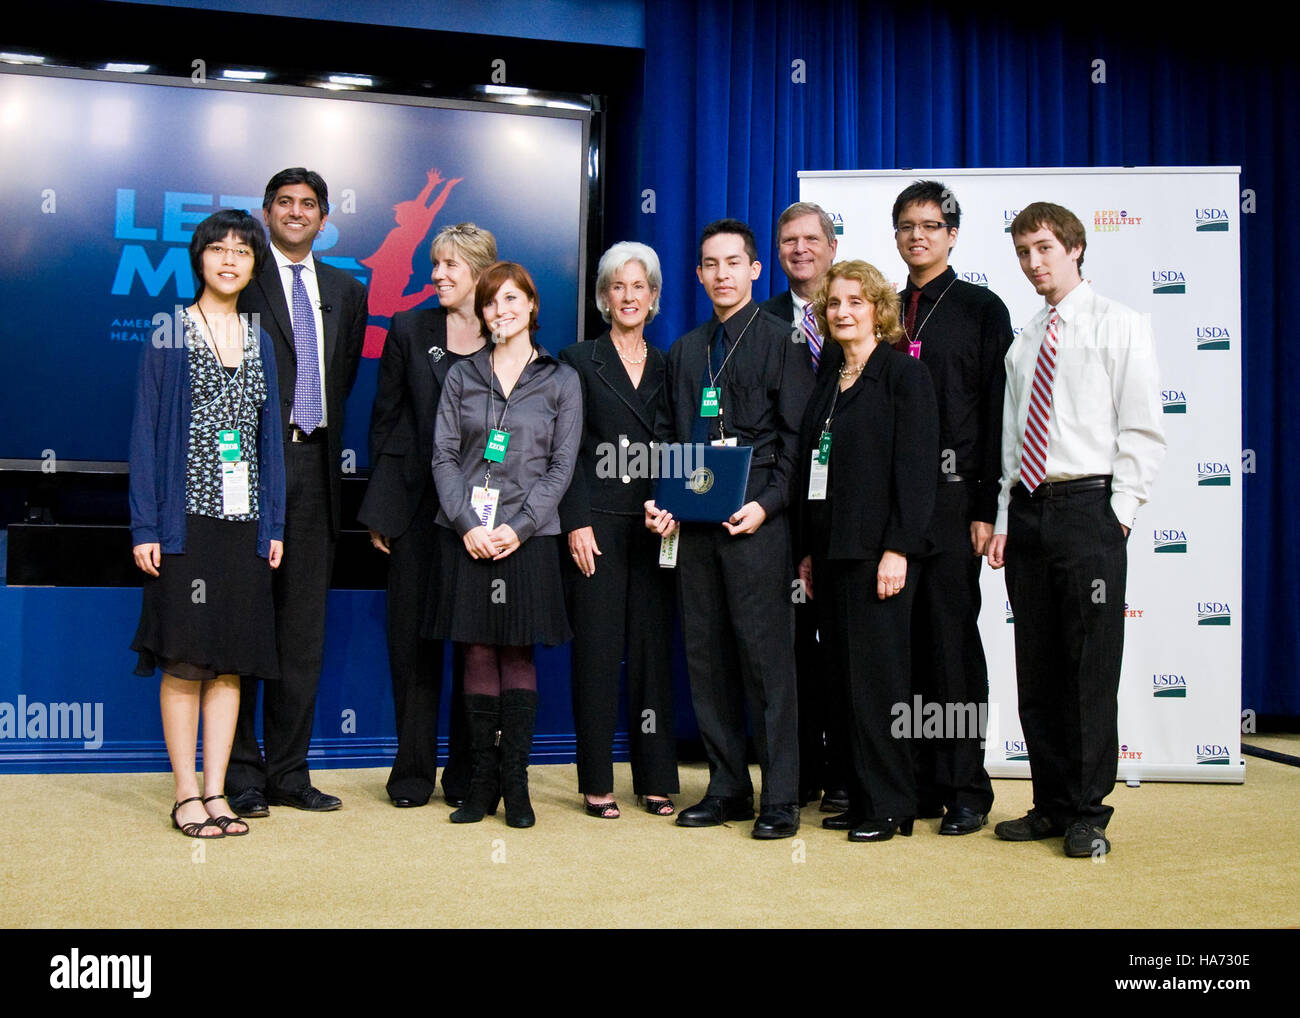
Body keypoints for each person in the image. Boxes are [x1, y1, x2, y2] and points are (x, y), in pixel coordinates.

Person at [987, 202, 1165, 857]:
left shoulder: (1120, 326)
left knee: (1089, 669)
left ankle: (1089, 812)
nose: (1035, 262)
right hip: (1029, 511)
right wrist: (1006, 519)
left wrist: (1117, 518)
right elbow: (1011, 443)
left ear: (1075, 248)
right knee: (1037, 669)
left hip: (1091, 511)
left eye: (1044, 248)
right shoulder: (1024, 340)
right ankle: (1051, 802)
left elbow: (1143, 429)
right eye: (1024, 252)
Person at [645, 218, 812, 840]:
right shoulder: (687, 350)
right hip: (694, 526)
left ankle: (781, 798)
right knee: (707, 659)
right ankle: (726, 787)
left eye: (732, 263)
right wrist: (660, 503)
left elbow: (795, 442)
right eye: (710, 264)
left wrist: (768, 505)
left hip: (756, 525)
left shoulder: (782, 340)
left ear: (754, 270)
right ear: (698, 274)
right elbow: (668, 438)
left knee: (767, 664)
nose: (721, 274)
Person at [129, 209, 285, 839]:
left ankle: (218, 791)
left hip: (243, 524)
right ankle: (185, 794)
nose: (229, 259)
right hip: (183, 525)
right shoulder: (170, 329)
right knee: (186, 660)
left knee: (228, 663)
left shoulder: (260, 340)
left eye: (242, 252)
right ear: (200, 259)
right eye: (217, 249)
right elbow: (145, 433)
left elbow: (268, 439)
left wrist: (272, 523)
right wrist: (146, 526)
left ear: (254, 265)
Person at [226, 167, 367, 817]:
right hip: (252, 470)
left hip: (317, 472)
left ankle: (289, 771)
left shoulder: (347, 289)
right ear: (264, 211)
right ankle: (242, 773)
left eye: (308, 204)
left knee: (302, 632)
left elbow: (340, 384)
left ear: (324, 216)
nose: (295, 212)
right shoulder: (242, 279)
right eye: (284, 202)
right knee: (246, 624)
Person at [428, 261, 582, 828]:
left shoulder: (561, 379)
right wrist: (468, 522)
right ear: (483, 311)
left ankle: (516, 783)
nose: (502, 311)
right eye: (492, 302)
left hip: (529, 538)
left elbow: (561, 466)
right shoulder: (462, 375)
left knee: (517, 653)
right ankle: (481, 782)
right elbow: (443, 455)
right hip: (466, 535)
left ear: (532, 306)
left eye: (513, 300)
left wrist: (515, 529)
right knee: (474, 651)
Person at [795, 260, 938, 842]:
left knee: (880, 683)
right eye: (834, 303)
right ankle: (860, 795)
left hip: (878, 555)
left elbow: (916, 472)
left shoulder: (903, 377)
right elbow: (813, 469)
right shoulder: (831, 380)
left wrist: (899, 549)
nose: (843, 311)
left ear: (878, 309)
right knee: (844, 682)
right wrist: (806, 551)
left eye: (856, 301)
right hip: (830, 554)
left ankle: (890, 804)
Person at [889, 181, 1013, 835]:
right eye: (907, 225)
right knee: (900, 650)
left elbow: (997, 414)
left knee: (952, 649)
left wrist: (988, 505)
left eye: (931, 225)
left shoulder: (981, 309)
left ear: (954, 233)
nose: (918, 235)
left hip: (953, 504)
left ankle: (966, 785)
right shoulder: (882, 308)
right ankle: (913, 783)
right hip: (891, 513)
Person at [358, 223, 497, 808]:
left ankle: (467, 774)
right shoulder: (409, 329)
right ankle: (412, 772)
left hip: (483, 521)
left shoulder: (508, 333)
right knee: (412, 643)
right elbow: (385, 423)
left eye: (448, 265)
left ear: (480, 272)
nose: (436, 274)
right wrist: (383, 511)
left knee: (474, 644)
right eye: (434, 263)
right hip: (415, 514)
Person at [558, 241, 678, 819]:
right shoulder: (578, 360)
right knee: (599, 657)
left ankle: (656, 779)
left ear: (654, 297)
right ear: (604, 297)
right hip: (597, 527)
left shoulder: (673, 363)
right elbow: (569, 452)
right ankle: (597, 780)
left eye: (640, 286)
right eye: (618, 286)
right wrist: (575, 521)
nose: (629, 296)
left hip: (658, 529)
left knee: (654, 656)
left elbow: (683, 446)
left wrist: (674, 504)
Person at [760, 201, 850, 814]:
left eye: (811, 239)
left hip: (850, 510)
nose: (800, 249)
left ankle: (848, 773)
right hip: (780, 509)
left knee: (847, 645)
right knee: (789, 648)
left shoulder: (862, 314)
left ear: (832, 246)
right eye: (789, 240)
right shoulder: (759, 320)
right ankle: (801, 774)